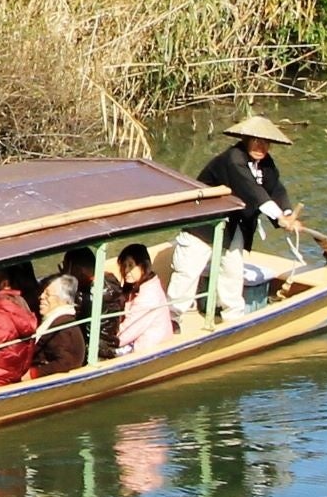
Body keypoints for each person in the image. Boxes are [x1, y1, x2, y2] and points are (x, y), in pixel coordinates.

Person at [187, 114, 305, 320]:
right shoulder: (233, 160)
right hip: (203, 223)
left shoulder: (266, 164)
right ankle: (174, 317)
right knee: (187, 271)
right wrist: (280, 217)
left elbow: (275, 189)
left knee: (232, 273)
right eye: (256, 141)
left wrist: (287, 213)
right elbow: (252, 191)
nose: (261, 147)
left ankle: (233, 317)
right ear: (245, 140)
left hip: (233, 226)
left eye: (265, 142)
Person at [32, 252, 92, 376]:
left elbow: (68, 362)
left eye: (48, 294)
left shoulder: (63, 328)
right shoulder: (57, 321)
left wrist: (34, 373)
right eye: (43, 293)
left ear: (63, 299)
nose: (41, 297)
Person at [114, 245, 175, 356]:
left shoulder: (148, 295)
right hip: (144, 340)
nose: (126, 270)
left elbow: (129, 329)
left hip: (148, 347)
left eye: (131, 265)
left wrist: (108, 341)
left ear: (143, 266)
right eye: (124, 266)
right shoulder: (141, 286)